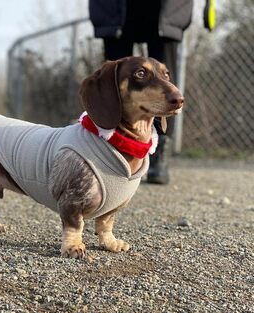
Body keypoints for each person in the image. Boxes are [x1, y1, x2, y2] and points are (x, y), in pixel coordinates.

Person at [88, 0, 215, 184]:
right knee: (112, 76)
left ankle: (158, 153)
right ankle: (107, 149)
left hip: (167, 8)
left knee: (163, 76)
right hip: (113, 7)